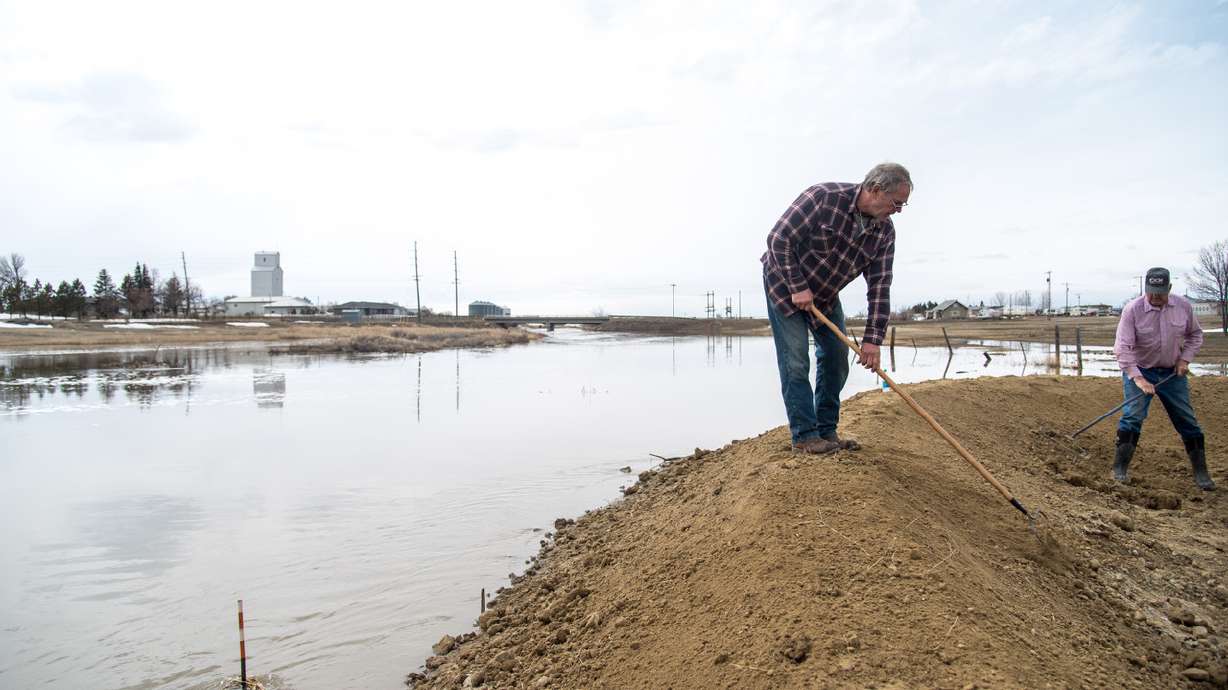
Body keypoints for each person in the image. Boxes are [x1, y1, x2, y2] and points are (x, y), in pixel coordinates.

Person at [761, 163, 911, 455]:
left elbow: (880, 287)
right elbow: (778, 240)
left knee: (836, 357)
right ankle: (804, 436)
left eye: (904, 205)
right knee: (795, 361)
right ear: (875, 190)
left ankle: (826, 430)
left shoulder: (884, 234)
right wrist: (797, 286)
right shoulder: (823, 198)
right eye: (896, 203)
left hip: (825, 295)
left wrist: (872, 340)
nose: (899, 210)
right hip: (784, 285)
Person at [1112, 267, 1212, 489]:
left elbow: (1195, 335)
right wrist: (1138, 379)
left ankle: (1201, 473)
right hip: (1140, 369)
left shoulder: (1183, 307)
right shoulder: (1133, 309)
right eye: (1151, 291)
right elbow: (1123, 348)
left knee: (1187, 420)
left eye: (1160, 292)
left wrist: (1184, 360)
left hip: (1171, 373)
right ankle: (1119, 470)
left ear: (1169, 288)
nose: (1155, 296)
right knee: (1132, 417)